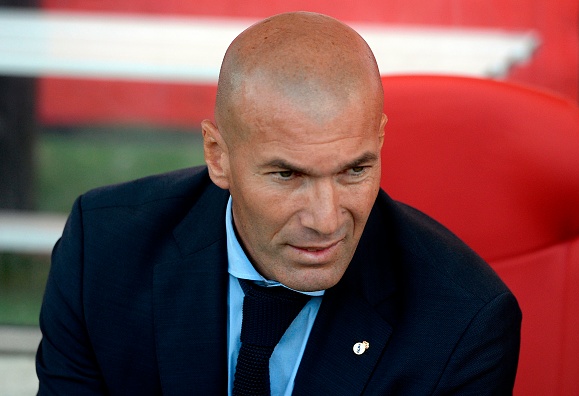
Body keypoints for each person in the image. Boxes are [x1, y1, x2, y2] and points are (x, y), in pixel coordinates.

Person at [36, 11, 521, 395]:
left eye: (355, 169)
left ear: (380, 140)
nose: (327, 219)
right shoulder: (103, 253)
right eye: (287, 175)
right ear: (217, 156)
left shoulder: (464, 322)